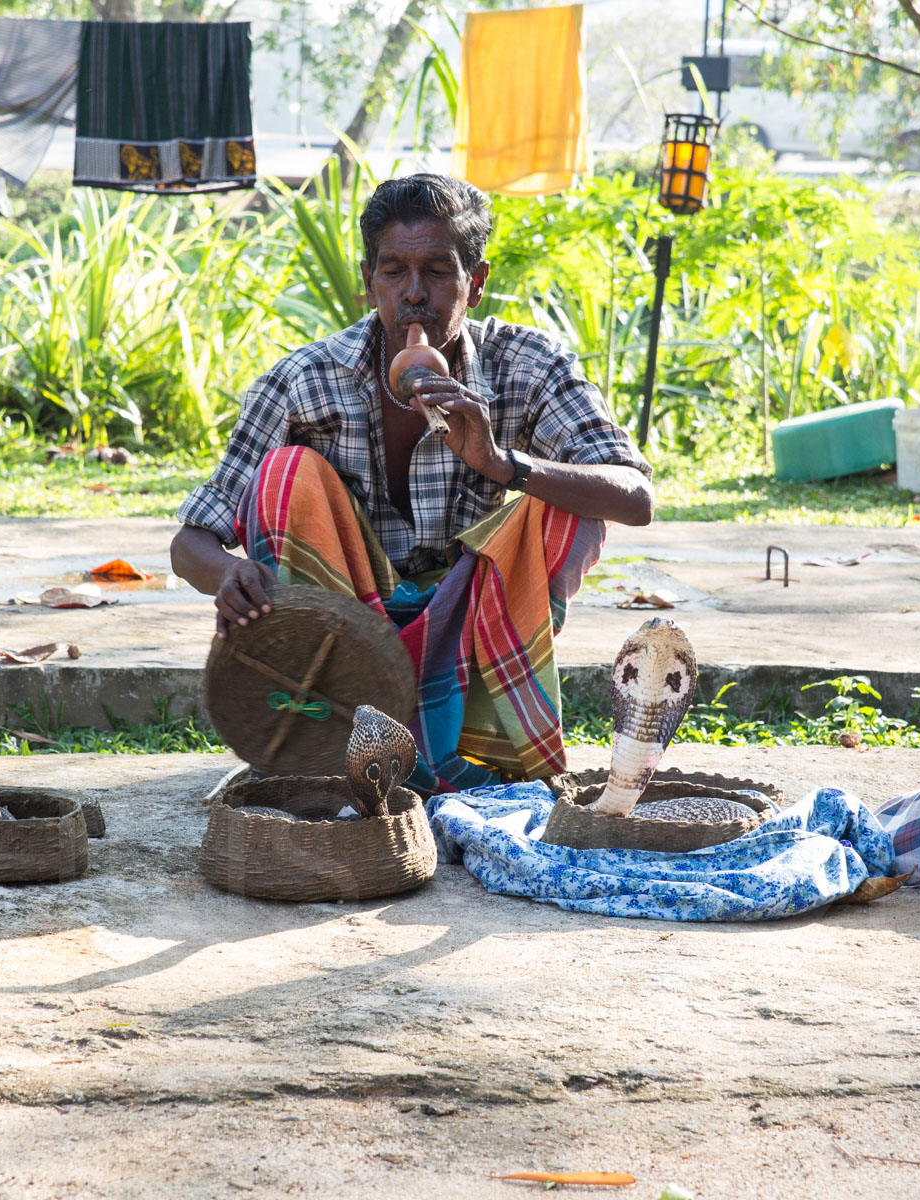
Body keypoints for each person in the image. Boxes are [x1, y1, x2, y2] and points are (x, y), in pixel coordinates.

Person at [170, 173, 652, 793]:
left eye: (438, 271)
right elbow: (191, 543)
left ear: (475, 284)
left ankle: (468, 738)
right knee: (284, 473)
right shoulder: (304, 380)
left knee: (567, 506)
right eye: (394, 272)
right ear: (370, 282)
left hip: (471, 631)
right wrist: (226, 576)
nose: (414, 295)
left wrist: (505, 464)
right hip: (344, 640)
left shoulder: (527, 365)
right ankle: (329, 729)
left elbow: (634, 496)